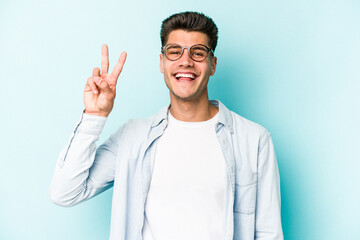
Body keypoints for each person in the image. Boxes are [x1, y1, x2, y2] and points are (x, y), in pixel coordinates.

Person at [50, 11, 283, 240]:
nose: (185, 61)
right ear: (162, 63)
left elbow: (268, 233)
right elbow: (65, 192)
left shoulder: (254, 140)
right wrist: (95, 114)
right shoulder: (132, 138)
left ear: (212, 65)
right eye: (174, 52)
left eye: (198, 53)